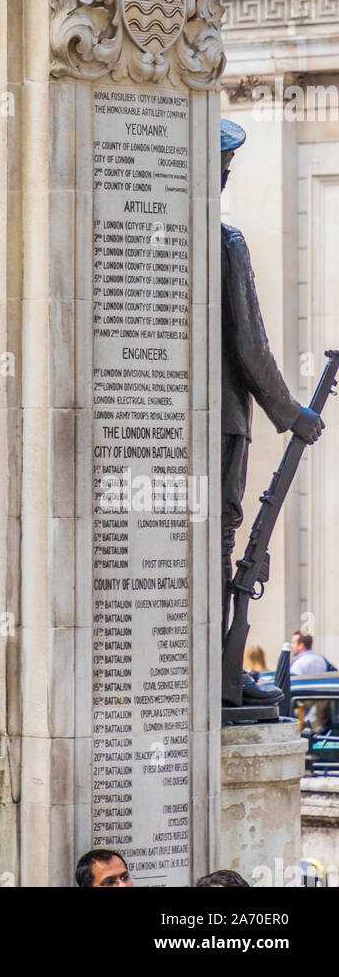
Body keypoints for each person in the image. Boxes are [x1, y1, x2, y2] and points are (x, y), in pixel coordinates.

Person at [220, 120, 324, 708]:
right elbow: (252, 348)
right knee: (221, 539)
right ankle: (217, 670)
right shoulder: (226, 241)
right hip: (225, 424)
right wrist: (293, 415)